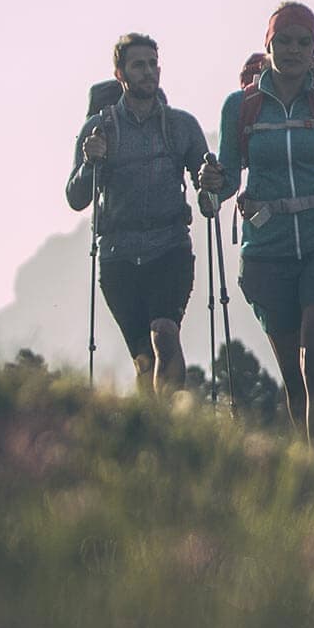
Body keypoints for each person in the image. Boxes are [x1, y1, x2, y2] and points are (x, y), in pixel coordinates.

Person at [198, 2, 314, 444]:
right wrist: (211, 184)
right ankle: (309, 469)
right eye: (285, 41)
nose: (294, 50)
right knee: (293, 375)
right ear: (268, 44)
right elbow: (223, 185)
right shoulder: (239, 108)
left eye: (304, 42)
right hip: (266, 253)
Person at [67, 33, 208, 395]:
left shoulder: (182, 126)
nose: (148, 72)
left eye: (152, 64)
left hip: (170, 248)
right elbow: (76, 197)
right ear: (120, 74)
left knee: (164, 333)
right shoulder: (99, 129)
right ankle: (153, 433)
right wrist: (90, 162)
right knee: (143, 358)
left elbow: (209, 185)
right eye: (138, 65)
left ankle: (174, 421)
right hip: (119, 255)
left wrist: (213, 183)